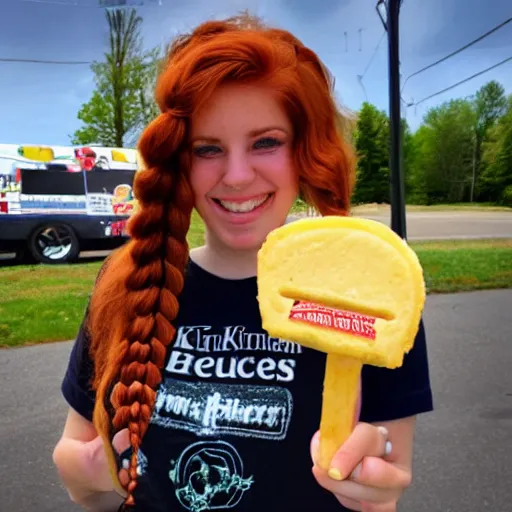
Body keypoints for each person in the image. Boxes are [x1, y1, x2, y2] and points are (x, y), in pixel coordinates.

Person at [52, 13, 433, 512]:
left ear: (305, 151)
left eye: (266, 142)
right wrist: (98, 468)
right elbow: (86, 486)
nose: (236, 176)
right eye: (207, 148)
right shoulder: (128, 285)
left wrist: (372, 486)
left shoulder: (372, 295)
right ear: (179, 164)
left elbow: (384, 490)